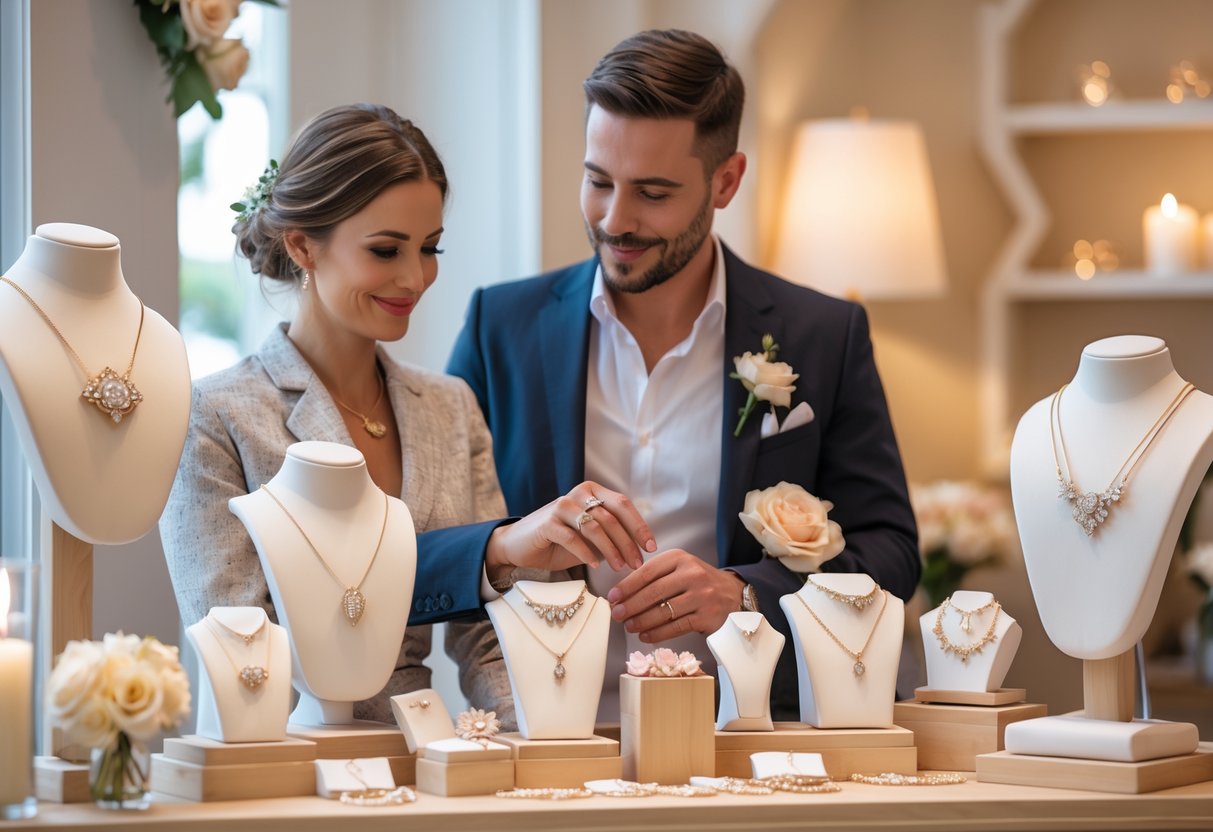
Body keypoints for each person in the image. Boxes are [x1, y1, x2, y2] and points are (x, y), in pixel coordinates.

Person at [448, 30, 920, 720]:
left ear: (725, 181)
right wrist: (506, 546)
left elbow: (892, 556)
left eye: (653, 192)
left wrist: (747, 596)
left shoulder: (824, 335)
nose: (615, 219)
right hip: (551, 735)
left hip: (749, 735)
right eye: (598, 181)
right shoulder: (501, 326)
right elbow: (426, 549)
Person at [161, 103, 653, 725]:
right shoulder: (214, 415)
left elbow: (489, 637)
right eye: (386, 250)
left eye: (429, 248)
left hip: (425, 752)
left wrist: (537, 742)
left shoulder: (449, 406)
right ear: (302, 245)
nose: (415, 278)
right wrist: (491, 551)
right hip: (277, 752)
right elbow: (240, 646)